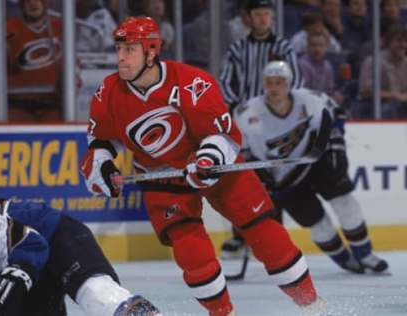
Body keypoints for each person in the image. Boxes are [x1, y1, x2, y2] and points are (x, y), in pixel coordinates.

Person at [80, 16, 327, 316]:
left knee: (266, 234)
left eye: (130, 49)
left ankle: (313, 307)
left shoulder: (191, 83)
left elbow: (222, 135)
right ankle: (222, 314)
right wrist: (102, 167)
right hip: (161, 175)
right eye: (119, 48)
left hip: (217, 166)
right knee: (191, 252)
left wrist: (207, 160)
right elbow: (102, 142)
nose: (121, 57)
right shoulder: (108, 92)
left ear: (151, 51)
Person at [233, 60, 389, 275]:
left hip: (316, 162)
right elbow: (241, 151)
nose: (275, 87)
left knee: (345, 204)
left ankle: (365, 255)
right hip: (283, 179)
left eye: (280, 82)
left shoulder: (310, 100)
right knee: (318, 224)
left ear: (289, 83)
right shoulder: (246, 113)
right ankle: (346, 261)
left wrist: (336, 149)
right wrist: (257, 176)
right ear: (263, 84)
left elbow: (337, 118)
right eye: (270, 82)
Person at [0, 198, 161, 316]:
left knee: (100, 296)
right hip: (27, 288)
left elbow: (31, 241)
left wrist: (15, 279)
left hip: (53, 236)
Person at [219, 0, 303, 259]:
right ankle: (240, 234)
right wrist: (240, 108)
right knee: (242, 178)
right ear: (249, 17)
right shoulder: (238, 48)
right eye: (258, 14)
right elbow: (225, 82)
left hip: (275, 121)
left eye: (267, 14)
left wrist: (282, 107)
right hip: (246, 122)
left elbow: (296, 79)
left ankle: (272, 234)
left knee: (275, 179)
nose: (263, 18)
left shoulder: (283, 47)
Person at [0, 0, 66, 122]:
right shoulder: (9, 28)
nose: (33, 3)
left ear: (45, 3)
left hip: (52, 102)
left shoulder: (59, 29)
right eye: (27, 1)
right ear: (21, 5)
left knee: (57, 136)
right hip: (16, 102)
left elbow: (74, 66)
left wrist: (71, 82)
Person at [357, 26, 407, 118]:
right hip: (372, 107)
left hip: (400, 106)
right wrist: (394, 95)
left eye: (405, 41)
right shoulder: (373, 62)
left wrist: (400, 97)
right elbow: (365, 92)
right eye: (399, 41)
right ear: (388, 43)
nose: (403, 45)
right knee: (389, 108)